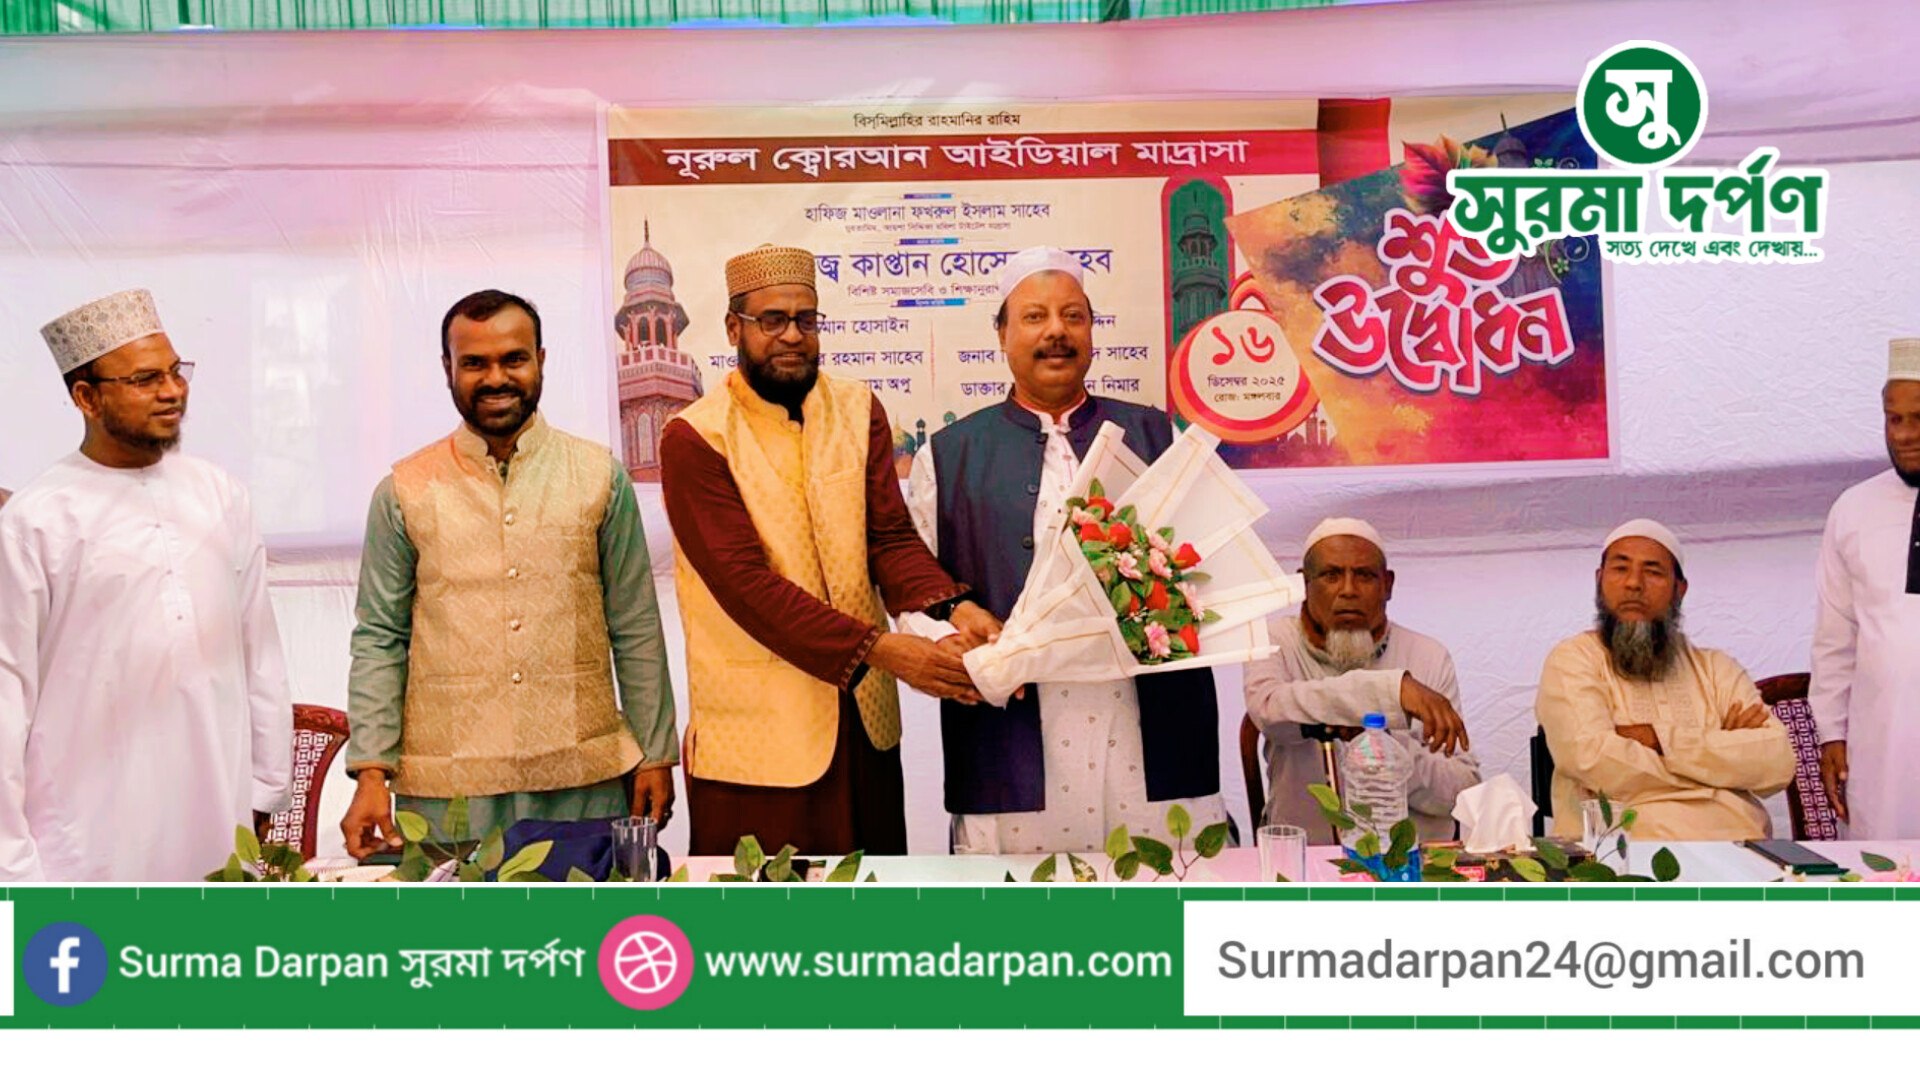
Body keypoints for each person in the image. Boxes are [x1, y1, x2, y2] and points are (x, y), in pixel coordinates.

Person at [660, 245, 997, 856]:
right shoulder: (695, 436)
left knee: (870, 906)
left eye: (806, 319)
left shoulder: (858, 409)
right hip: (758, 743)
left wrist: (954, 609)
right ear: (734, 328)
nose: (792, 336)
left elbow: (888, 537)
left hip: (863, 729)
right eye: (772, 320)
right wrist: (885, 652)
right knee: (764, 913)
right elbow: (746, 587)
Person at [901, 245, 1226, 854]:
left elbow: (1212, 565)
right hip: (1012, 736)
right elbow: (917, 589)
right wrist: (950, 646)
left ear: (1092, 331)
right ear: (1001, 334)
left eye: (1073, 316)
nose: (1056, 331)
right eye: (1035, 316)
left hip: (1151, 729)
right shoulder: (948, 455)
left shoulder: (1157, 435)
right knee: (1021, 907)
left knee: (1164, 894)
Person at [340, 289, 676, 856]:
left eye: (513, 359)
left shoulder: (598, 476)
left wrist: (656, 752)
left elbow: (635, 622)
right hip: (447, 791)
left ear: (540, 360)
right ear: (447, 369)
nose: (496, 378)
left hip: (583, 780)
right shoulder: (404, 490)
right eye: (475, 363)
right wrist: (371, 769)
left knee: (585, 915)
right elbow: (380, 637)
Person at [0, 289, 291, 880]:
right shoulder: (36, 519)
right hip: (84, 833)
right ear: (87, 397)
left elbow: (258, 648)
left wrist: (266, 785)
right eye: (144, 379)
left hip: (217, 807)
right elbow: (8, 689)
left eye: (175, 371)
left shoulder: (220, 495)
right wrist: (14, 861)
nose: (172, 391)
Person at [1536, 519, 1794, 841]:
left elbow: (1777, 760)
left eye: (1653, 572)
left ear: (1679, 590)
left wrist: (1658, 740)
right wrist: (1722, 765)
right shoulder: (1574, 659)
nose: (1634, 583)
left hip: (1744, 849)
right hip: (1624, 857)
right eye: (1620, 568)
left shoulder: (1717, 669)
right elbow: (1593, 761)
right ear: (1599, 580)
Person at [1244, 518, 1478, 843]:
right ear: (1304, 584)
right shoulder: (1273, 641)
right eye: (1331, 575)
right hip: (1307, 858)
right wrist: (1392, 692)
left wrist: (1386, 750)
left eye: (1365, 575)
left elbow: (1462, 791)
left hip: (1412, 858)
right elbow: (1269, 711)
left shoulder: (1428, 655)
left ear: (1388, 585)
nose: (1348, 590)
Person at [1810, 337, 1920, 839]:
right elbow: (1835, 637)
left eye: (1918, 418)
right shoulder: (1854, 509)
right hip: (1881, 755)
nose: (1905, 434)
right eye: (1894, 419)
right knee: (1887, 873)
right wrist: (1831, 733)